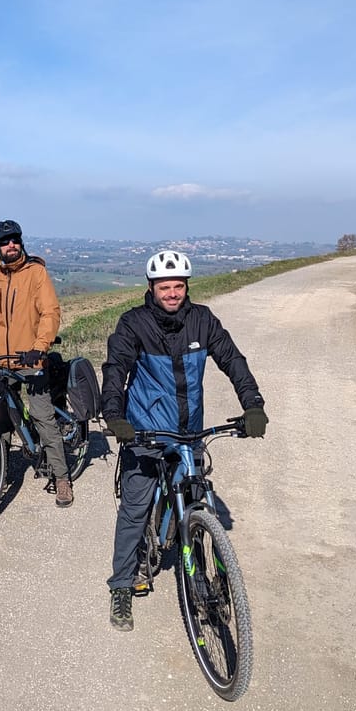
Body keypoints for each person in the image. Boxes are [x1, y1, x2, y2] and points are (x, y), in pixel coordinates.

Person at [101, 249, 268, 630]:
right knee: (135, 509)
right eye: (165, 287)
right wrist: (114, 415)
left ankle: (200, 561)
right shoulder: (134, 324)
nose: (173, 293)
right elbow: (115, 369)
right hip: (145, 431)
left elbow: (233, 361)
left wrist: (253, 405)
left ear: (187, 286)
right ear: (151, 288)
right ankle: (121, 585)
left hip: (189, 431)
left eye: (178, 286)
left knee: (197, 499)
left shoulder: (202, 320)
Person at [0, 219, 74, 508]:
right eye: (5, 242)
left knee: (42, 416)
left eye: (15, 240)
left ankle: (62, 477)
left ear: (21, 242)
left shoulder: (35, 272)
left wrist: (39, 347)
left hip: (30, 357)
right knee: (0, 417)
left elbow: (50, 312)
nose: (11, 245)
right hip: (0, 358)